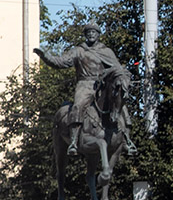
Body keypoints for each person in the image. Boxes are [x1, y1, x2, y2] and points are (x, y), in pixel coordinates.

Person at [34, 23, 135, 157]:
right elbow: (61, 62)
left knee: (121, 105)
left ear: (98, 34)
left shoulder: (107, 51)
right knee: (78, 105)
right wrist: (45, 56)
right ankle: (74, 141)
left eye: (94, 32)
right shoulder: (79, 51)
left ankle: (127, 140)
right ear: (85, 35)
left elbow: (117, 68)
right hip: (85, 84)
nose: (91, 34)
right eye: (89, 32)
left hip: (102, 85)